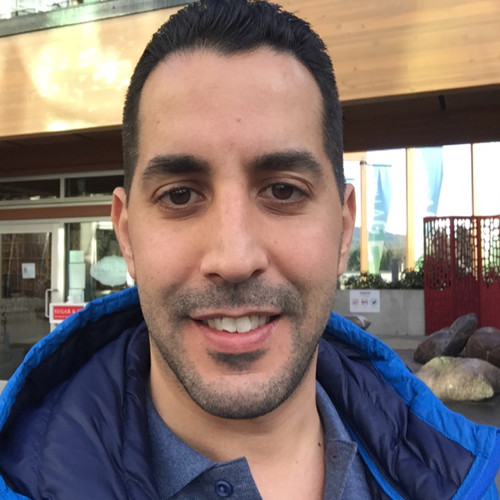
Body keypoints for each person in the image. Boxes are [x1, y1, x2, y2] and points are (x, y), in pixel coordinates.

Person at [0, 0, 499, 498]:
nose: (235, 259)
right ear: (127, 236)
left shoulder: (471, 482)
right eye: (180, 195)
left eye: (283, 190)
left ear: (344, 228)